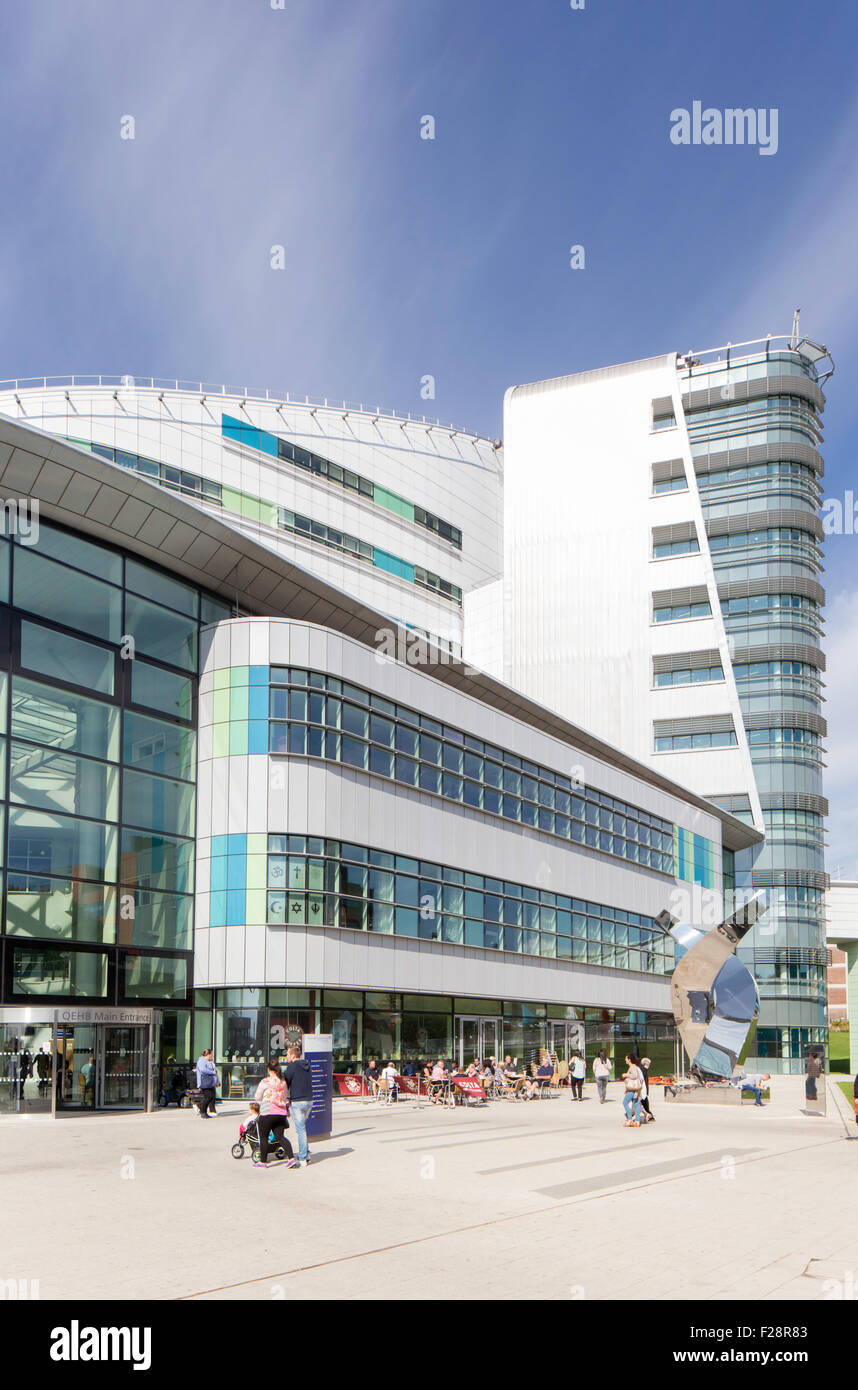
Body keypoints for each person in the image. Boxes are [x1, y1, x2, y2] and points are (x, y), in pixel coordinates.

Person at [253, 1059, 295, 1168]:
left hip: (267, 1112)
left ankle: (263, 1162)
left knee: (263, 1138)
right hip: (280, 1113)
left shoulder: (265, 1081)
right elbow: (285, 1097)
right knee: (280, 1137)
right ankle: (291, 1158)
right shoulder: (283, 1082)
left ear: (268, 1069)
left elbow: (257, 1096)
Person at [285, 1044, 314, 1166]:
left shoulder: (291, 1067)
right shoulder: (307, 1066)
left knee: (300, 1130)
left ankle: (303, 1157)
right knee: (302, 1128)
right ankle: (306, 1152)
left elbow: (285, 1083)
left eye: (287, 1054)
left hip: (297, 1101)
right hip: (309, 1101)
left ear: (292, 1055)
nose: (286, 1057)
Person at [622, 1053, 644, 1127]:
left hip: (632, 1089)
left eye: (626, 1059)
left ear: (629, 1060)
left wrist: (626, 1075)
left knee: (625, 1102)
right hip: (636, 1089)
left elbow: (634, 1076)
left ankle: (630, 1119)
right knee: (635, 1104)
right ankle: (637, 1121)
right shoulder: (633, 1066)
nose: (625, 1060)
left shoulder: (632, 1067)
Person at [195, 1048, 218, 1118]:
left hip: (210, 1082)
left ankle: (203, 1110)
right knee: (208, 1097)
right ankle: (202, 1111)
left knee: (210, 1097)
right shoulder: (202, 1060)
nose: (213, 1055)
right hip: (205, 1082)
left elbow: (215, 1072)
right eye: (212, 1054)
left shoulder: (208, 1061)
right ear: (209, 1054)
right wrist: (212, 1072)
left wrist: (217, 1081)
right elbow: (202, 1070)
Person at [639, 1056, 655, 1122]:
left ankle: (649, 1116)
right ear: (646, 1064)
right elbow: (643, 1081)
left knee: (643, 1104)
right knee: (643, 1104)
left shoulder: (643, 1070)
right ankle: (649, 1116)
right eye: (649, 1064)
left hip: (643, 1091)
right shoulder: (643, 1070)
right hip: (642, 1091)